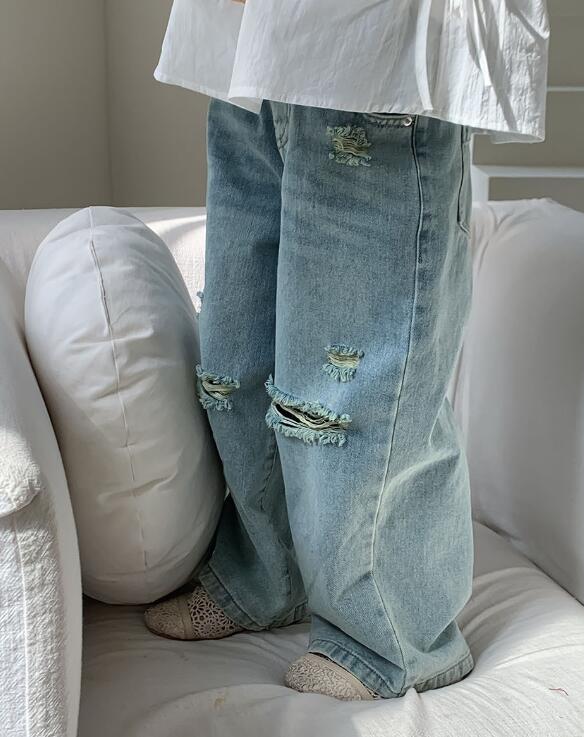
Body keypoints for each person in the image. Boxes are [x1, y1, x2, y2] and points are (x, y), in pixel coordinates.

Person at [144, 0, 549, 700]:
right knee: (238, 361)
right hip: (251, 48)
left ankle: (392, 634)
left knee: (353, 389)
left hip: (379, 53)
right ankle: (268, 573)